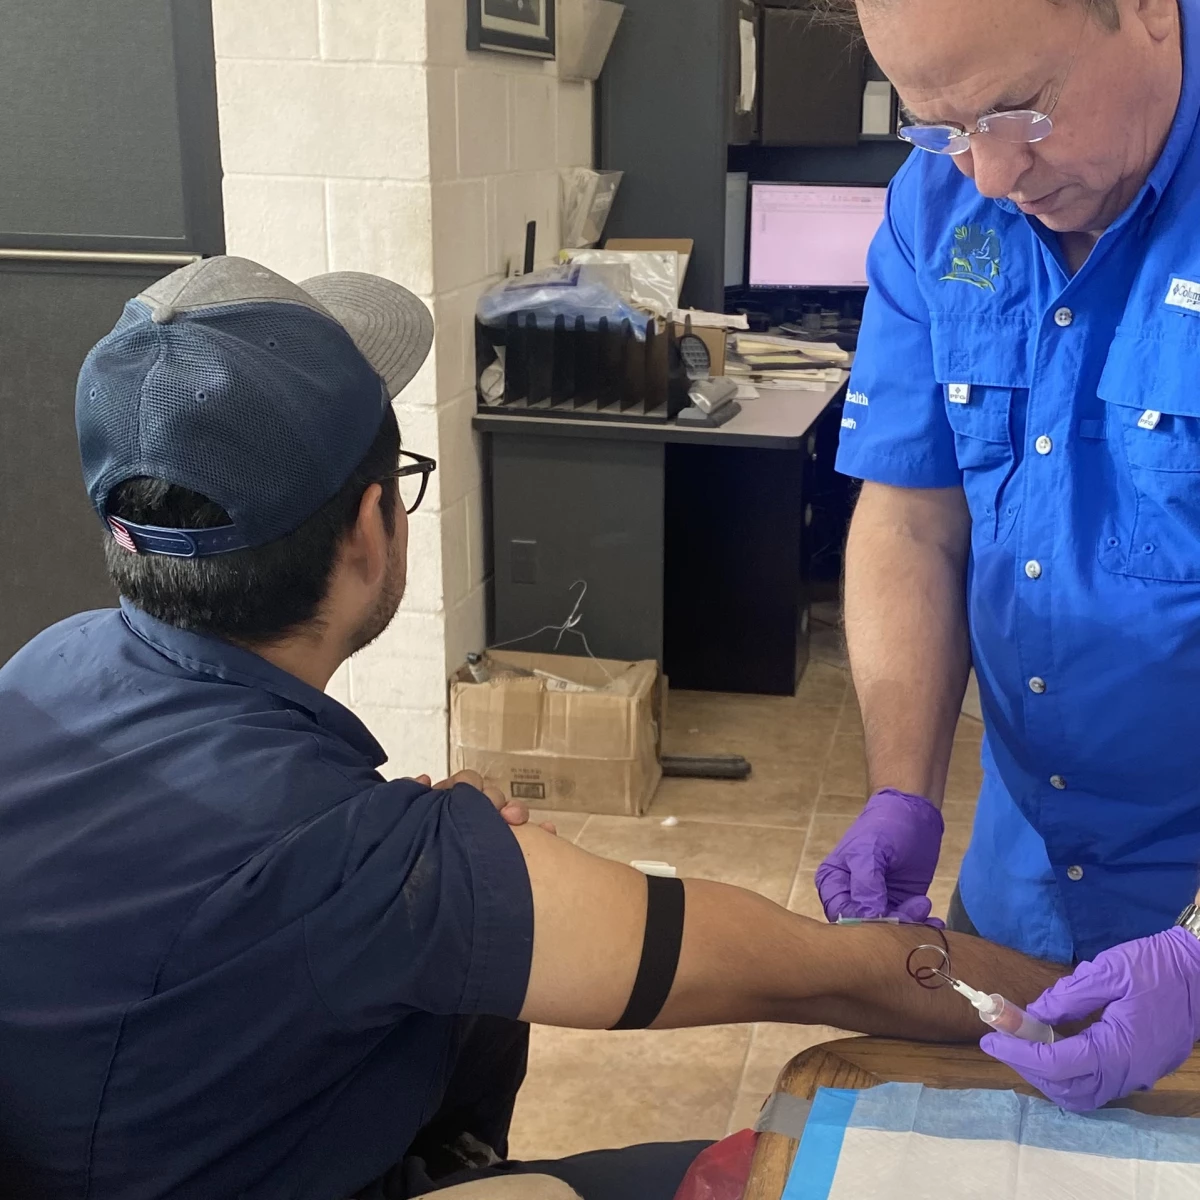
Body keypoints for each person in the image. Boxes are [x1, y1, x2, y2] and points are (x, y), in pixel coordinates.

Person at [0, 256, 1069, 1200]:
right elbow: (820, 970)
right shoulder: (366, 861)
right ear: (374, 528)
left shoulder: (49, 668)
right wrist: (1105, 1012)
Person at [814, 0, 1200, 1112]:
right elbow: (912, 515)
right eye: (940, 129)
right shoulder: (937, 207)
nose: (989, 175)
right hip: (1026, 876)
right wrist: (903, 787)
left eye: (1018, 112)